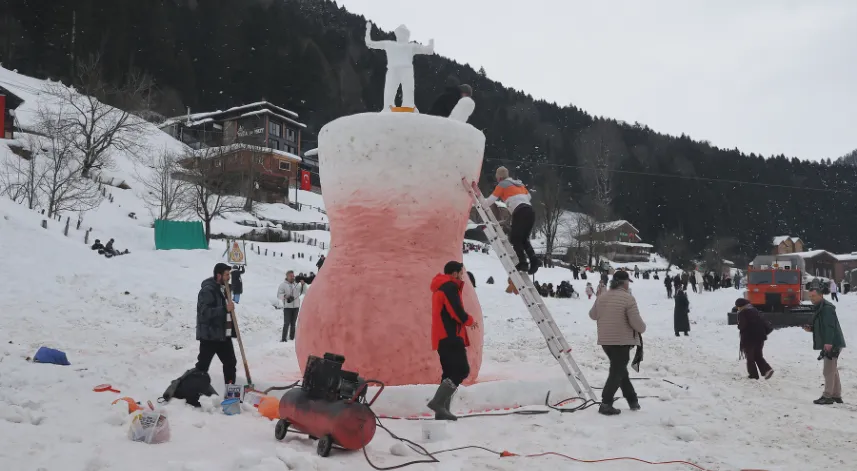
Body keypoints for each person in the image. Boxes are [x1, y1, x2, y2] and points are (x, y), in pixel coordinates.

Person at [588, 270, 646, 415]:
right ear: (624, 283)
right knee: (617, 371)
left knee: (620, 370)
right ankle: (606, 403)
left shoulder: (602, 296)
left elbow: (592, 315)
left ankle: (632, 399)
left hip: (606, 341)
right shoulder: (628, 299)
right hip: (621, 341)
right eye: (627, 282)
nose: (628, 284)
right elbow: (637, 324)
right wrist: (643, 328)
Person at [428, 261, 478, 420]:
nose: (462, 276)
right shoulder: (449, 287)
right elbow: (455, 310)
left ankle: (442, 412)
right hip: (450, 336)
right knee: (462, 370)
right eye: (461, 273)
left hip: (443, 337)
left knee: (449, 373)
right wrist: (469, 320)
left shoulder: (440, 287)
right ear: (454, 273)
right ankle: (438, 403)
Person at [482, 167, 540, 274]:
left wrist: (481, 204)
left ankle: (523, 263)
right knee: (523, 239)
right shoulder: (519, 184)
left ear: (499, 177)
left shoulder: (502, 185)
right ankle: (534, 261)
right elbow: (529, 196)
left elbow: (490, 200)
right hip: (530, 211)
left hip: (520, 211)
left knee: (514, 238)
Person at [195, 263, 238, 385]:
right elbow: (204, 312)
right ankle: (192, 391)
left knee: (230, 363)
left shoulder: (225, 289)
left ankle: (231, 394)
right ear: (219, 275)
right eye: (226, 274)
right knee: (202, 366)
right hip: (210, 336)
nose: (229, 276)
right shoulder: (207, 291)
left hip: (224, 336)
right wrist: (225, 308)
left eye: (229, 274)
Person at [804, 287, 846, 404]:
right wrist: (812, 329)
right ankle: (836, 395)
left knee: (828, 370)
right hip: (832, 342)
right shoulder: (821, 307)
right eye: (810, 296)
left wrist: (828, 343)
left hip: (833, 343)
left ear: (821, 295)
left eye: (814, 296)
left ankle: (827, 396)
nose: (811, 298)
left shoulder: (826, 308)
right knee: (832, 369)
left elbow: (829, 327)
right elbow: (822, 326)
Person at [735, 298, 773, 380]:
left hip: (749, 339)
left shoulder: (742, 313)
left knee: (750, 357)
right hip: (760, 337)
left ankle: (753, 375)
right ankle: (767, 370)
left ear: (740, 306)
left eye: (737, 307)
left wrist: (738, 325)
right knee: (758, 355)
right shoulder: (755, 310)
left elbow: (742, 326)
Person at [277, 271, 306, 342]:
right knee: (286, 323)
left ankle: (292, 338)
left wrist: (303, 285)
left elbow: (303, 292)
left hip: (296, 307)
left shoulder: (297, 284)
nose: (293, 277)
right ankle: (283, 339)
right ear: (287, 276)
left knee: (293, 323)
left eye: (293, 276)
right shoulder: (283, 285)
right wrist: (285, 296)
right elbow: (278, 295)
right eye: (291, 276)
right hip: (287, 307)